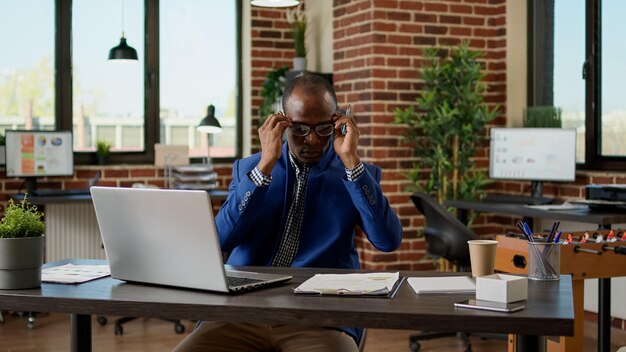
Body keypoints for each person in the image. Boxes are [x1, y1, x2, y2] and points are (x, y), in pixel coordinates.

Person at [174, 74, 403, 352]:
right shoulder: (250, 169)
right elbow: (220, 241)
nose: (313, 140)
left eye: (323, 129)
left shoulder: (355, 173)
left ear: (337, 121)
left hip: (320, 317)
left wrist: (352, 164)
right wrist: (264, 168)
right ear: (282, 122)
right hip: (243, 312)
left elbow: (388, 241)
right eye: (300, 129)